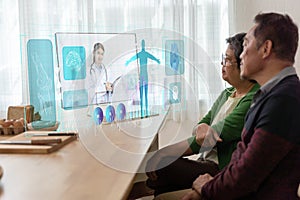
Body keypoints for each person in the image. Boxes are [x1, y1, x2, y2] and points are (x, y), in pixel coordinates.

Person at [156, 12, 300, 200]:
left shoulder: (283, 100)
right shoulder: (268, 94)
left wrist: (206, 189)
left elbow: (246, 174)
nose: (242, 55)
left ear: (266, 49)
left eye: (246, 44)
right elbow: (240, 158)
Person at [143, 33, 259, 197]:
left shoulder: (252, 100)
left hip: (220, 169)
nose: (222, 64)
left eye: (227, 60)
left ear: (243, 64)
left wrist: (163, 153)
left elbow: (207, 138)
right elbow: (199, 128)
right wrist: (202, 129)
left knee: (163, 164)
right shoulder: (227, 94)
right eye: (222, 58)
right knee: (164, 175)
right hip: (205, 162)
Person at [125, 39, 160, 117]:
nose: (143, 45)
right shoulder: (140, 54)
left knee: (145, 94)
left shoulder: (143, 54)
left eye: (144, 44)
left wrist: (157, 60)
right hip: (142, 75)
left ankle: (146, 110)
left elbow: (152, 57)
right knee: (142, 94)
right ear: (142, 45)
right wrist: (128, 61)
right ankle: (142, 111)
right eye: (143, 44)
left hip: (144, 74)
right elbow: (133, 58)